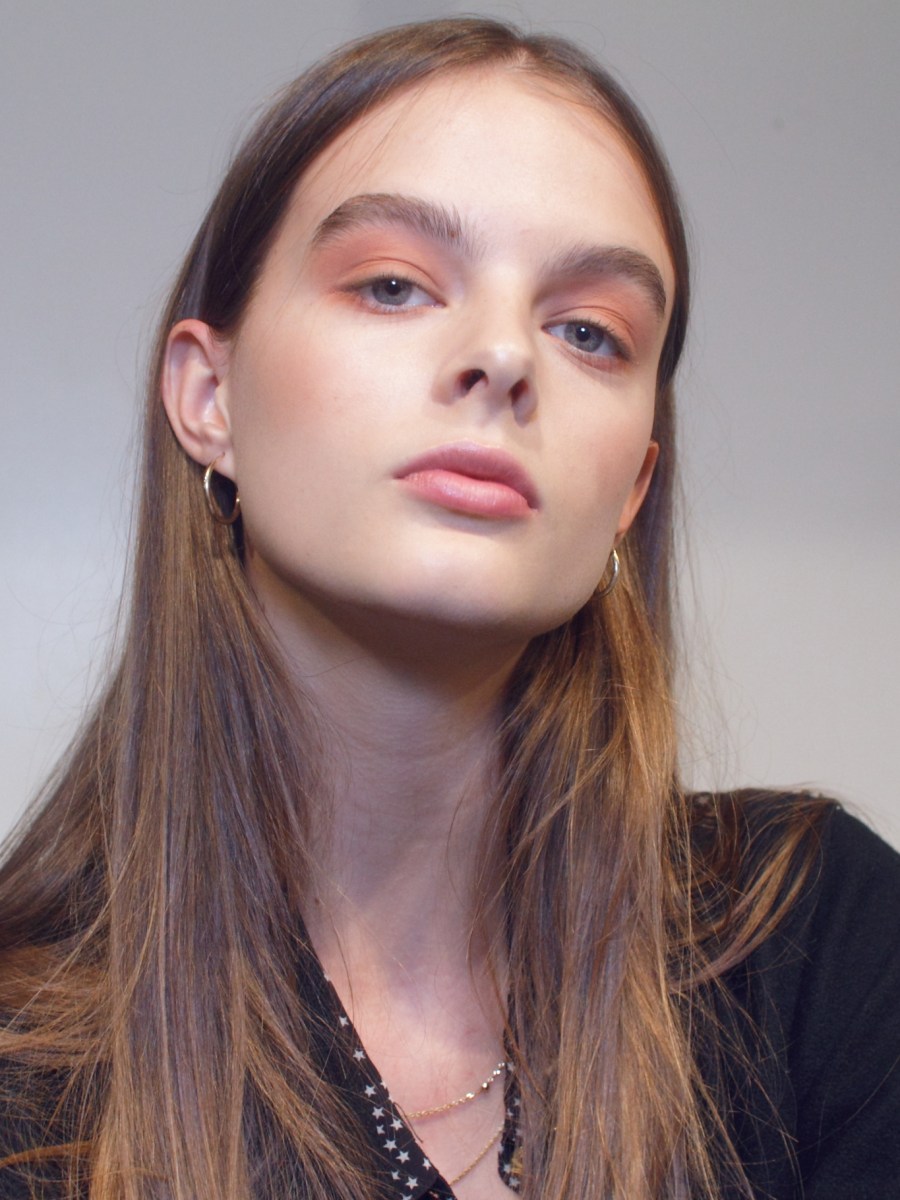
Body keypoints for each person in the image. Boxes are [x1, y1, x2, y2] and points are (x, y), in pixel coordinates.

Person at [0, 16, 898, 1200]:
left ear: (631, 488)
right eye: (393, 285)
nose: (504, 356)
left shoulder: (821, 946)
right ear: (210, 397)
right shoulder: (21, 1071)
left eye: (588, 332)